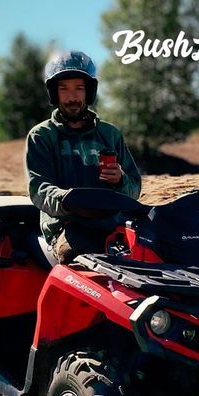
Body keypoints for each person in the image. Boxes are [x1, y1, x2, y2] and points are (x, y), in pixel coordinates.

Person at [26, 50, 142, 264]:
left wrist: (120, 180)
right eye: (64, 89)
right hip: (66, 225)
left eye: (79, 88)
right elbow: (38, 189)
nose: (72, 97)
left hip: (112, 222)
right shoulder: (41, 136)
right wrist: (68, 201)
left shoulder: (110, 134)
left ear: (89, 92)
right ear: (54, 93)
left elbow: (134, 188)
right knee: (79, 260)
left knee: (153, 250)